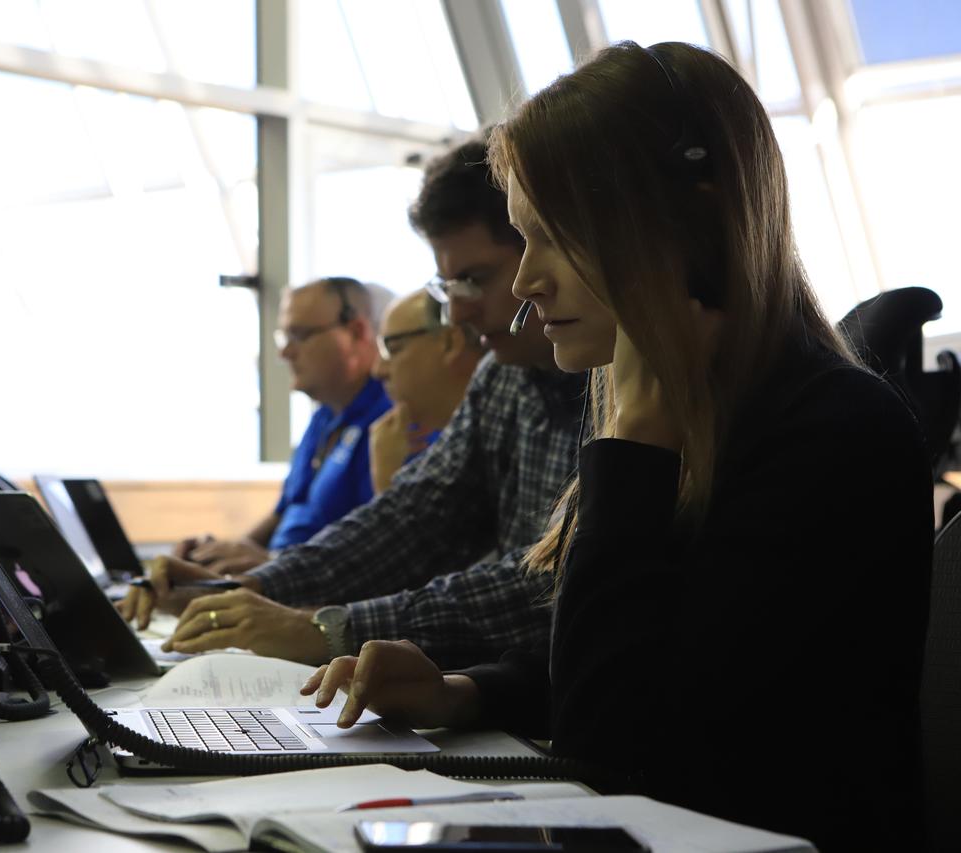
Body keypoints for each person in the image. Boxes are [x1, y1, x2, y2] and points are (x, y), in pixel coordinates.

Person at [301, 42, 931, 853]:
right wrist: (460, 691)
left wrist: (629, 449)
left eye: (557, 237)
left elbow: (617, 751)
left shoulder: (833, 436)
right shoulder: (714, 413)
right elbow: (652, 648)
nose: (526, 281)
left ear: (685, 227)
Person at [119, 130, 585, 669]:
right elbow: (411, 520)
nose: (458, 314)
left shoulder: (620, 383)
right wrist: (247, 587)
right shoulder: (505, 379)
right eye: (449, 287)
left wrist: (327, 629)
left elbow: (553, 586)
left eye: (475, 280)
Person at [172, 277, 389, 575]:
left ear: (356, 332)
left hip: (316, 597)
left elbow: (382, 555)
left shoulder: (392, 421)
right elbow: (284, 512)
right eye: (284, 337)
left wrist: (273, 565)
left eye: (300, 335)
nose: (284, 353)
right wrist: (213, 560)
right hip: (278, 578)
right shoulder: (323, 418)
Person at [369, 288, 483, 493]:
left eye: (393, 349)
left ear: (450, 342)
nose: (378, 371)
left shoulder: (493, 440)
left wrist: (386, 478)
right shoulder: (451, 442)